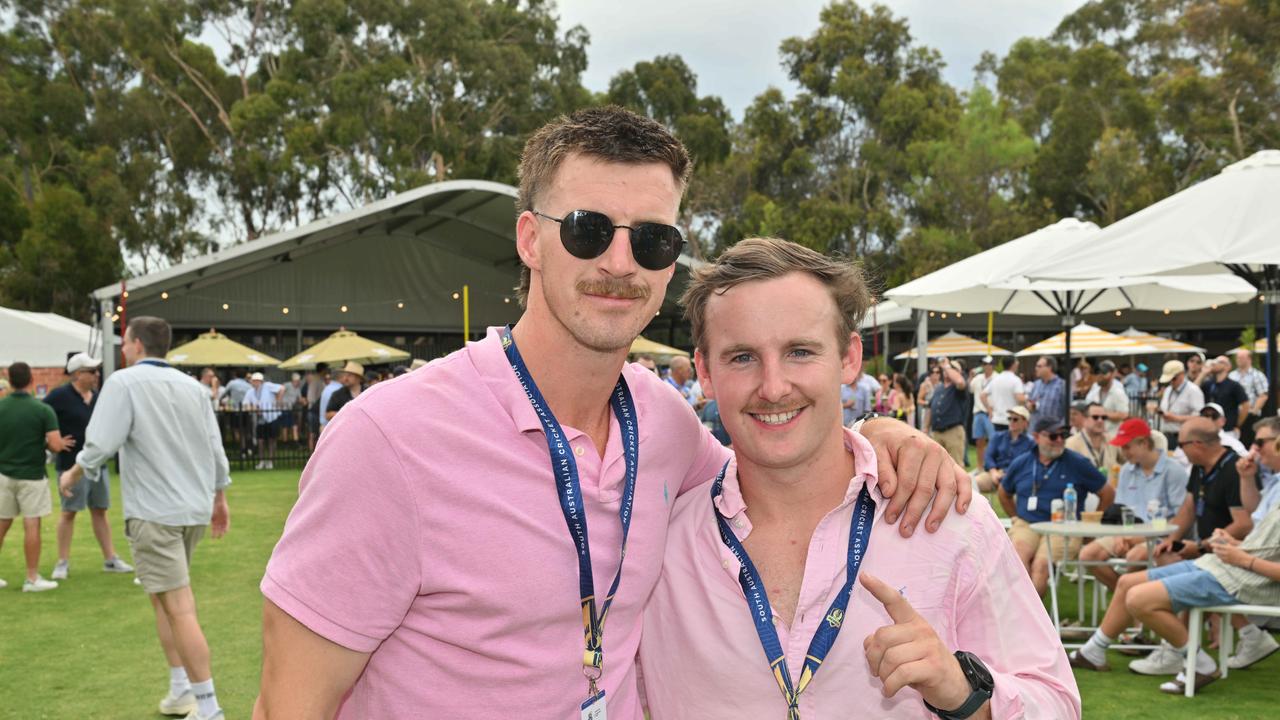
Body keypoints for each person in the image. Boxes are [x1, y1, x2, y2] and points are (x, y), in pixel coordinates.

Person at [253, 106, 972, 719]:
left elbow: (782, 467)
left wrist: (884, 435)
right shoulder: (389, 440)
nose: (621, 263)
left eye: (652, 239)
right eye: (589, 230)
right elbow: (288, 706)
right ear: (531, 239)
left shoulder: (664, 425)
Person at [638, 237, 1079, 718]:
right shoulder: (657, 539)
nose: (773, 386)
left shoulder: (946, 514)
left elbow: (1057, 702)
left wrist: (967, 694)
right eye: (742, 357)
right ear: (704, 370)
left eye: (801, 352)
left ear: (849, 358)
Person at [58, 316, 231, 720]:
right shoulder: (193, 387)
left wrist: (72, 471)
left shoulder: (123, 382)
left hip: (156, 513)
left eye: (126, 342)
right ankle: (180, 691)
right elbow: (215, 447)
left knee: (178, 605)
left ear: (135, 344)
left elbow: (101, 442)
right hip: (190, 510)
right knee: (164, 599)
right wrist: (220, 497)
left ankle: (208, 707)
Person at [1069, 428, 1280, 693]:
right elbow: (1258, 530)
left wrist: (1242, 557)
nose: (1254, 448)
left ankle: (1196, 661)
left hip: (1243, 577)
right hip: (1225, 564)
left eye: (1261, 442)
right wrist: (1236, 545)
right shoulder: (1273, 482)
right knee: (1127, 582)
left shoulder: (1209, 470)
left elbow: (1247, 531)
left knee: (1138, 597)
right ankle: (1093, 651)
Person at [999, 417, 1115, 596]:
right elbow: (1004, 492)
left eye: (1063, 435)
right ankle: (1020, 616)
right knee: (1018, 560)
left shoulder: (1077, 463)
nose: (1060, 440)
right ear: (1037, 437)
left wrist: (1090, 527)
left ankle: (1030, 620)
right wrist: (1015, 516)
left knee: (1041, 565)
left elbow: (1107, 492)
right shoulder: (1022, 462)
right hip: (1026, 524)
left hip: (1063, 528)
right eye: (1053, 436)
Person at [44, 352, 133, 580]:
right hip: (70, 465)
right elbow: (40, 419)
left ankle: (110, 558)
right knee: (69, 512)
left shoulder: (98, 396)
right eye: (91, 371)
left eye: (96, 371)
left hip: (97, 465)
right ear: (76, 374)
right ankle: (62, 562)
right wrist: (53, 442)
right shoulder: (59, 396)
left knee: (100, 510)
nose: (96, 376)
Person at [1078, 418, 1187, 594]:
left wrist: (1141, 537)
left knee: (1134, 557)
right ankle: (1128, 600)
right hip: (1128, 532)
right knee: (1087, 556)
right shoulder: (1127, 470)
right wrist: (1123, 535)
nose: (1123, 452)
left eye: (1127, 446)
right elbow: (1120, 511)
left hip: (1161, 537)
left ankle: (1129, 602)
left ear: (1144, 443)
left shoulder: (1174, 471)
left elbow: (1181, 516)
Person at [0, 361, 74, 592]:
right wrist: (50, 443)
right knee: (32, 525)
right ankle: (31, 578)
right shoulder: (42, 409)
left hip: (3, 474)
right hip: (32, 475)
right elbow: (54, 444)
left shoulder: (1, 407)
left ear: (9, 380)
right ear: (31, 379)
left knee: (2, 524)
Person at [1152, 418, 1251, 567]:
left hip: (1228, 554)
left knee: (1141, 581)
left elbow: (1243, 524)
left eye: (1181, 445)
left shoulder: (1234, 469)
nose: (1179, 450)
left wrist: (1201, 547)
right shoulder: (1199, 467)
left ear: (1196, 445)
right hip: (1205, 548)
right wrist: (1171, 540)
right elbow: (1189, 507)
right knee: (1163, 556)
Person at [973, 405, 1033, 493]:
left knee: (1024, 492)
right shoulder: (998, 436)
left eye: (1015, 419)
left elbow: (1028, 465)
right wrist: (993, 472)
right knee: (971, 484)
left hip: (1017, 478)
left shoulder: (1031, 443)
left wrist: (1006, 473)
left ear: (1025, 423)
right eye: (1009, 418)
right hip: (994, 474)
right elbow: (988, 456)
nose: (1011, 422)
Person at [928, 357, 969, 466]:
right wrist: (925, 428)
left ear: (959, 372)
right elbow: (930, 408)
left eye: (952, 368)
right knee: (936, 467)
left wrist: (946, 366)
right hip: (937, 432)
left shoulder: (959, 386)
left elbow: (960, 381)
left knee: (956, 467)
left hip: (953, 431)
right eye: (947, 369)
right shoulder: (939, 387)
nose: (947, 371)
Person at [1066, 401, 1122, 480]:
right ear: (1084, 419)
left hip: (1110, 490)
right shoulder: (1071, 444)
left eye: (1104, 418)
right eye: (1095, 417)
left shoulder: (1113, 441)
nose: (1100, 421)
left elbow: (1129, 462)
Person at [1158, 359, 1204, 450]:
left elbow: (1200, 417)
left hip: (1184, 438)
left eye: (1173, 378)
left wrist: (1176, 418)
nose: (1171, 382)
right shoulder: (1168, 389)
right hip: (1167, 435)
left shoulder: (1193, 390)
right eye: (1169, 379)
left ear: (1182, 374)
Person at [1200, 355, 1251, 437]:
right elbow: (1192, 390)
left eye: (1220, 362)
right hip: (1208, 428)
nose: (1215, 364)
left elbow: (1246, 405)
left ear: (1228, 367)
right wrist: (1203, 373)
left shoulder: (1234, 385)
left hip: (1227, 430)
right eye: (1215, 361)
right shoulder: (1208, 383)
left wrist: (1237, 424)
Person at [1230, 348, 1269, 446]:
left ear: (1249, 359)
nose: (1238, 359)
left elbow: (1263, 395)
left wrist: (1253, 412)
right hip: (1234, 415)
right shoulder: (1232, 375)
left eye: (1242, 357)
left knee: (1249, 443)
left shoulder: (1257, 375)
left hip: (1250, 417)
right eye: (1237, 357)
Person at [248, 372, 286, 470]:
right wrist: (254, 408)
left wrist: (278, 401)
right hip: (260, 419)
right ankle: (261, 461)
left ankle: (270, 461)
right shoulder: (251, 391)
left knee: (271, 440)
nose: (255, 383)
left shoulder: (268, 386)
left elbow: (282, 388)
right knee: (260, 441)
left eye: (257, 381)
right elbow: (246, 404)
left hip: (271, 417)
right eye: (254, 381)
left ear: (260, 381)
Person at [1084, 359, 1130, 436]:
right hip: (1096, 434)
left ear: (1113, 374)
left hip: (1112, 435)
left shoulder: (1118, 392)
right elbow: (1087, 409)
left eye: (1103, 373)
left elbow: (1124, 414)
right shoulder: (1094, 390)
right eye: (1097, 373)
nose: (1099, 376)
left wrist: (1102, 414)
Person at [1021, 355, 1066, 430]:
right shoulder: (1036, 384)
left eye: (1039, 366)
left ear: (1049, 367)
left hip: (1053, 433)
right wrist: (1030, 405)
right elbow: (1029, 403)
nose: (1036, 369)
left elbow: (1067, 411)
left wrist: (1061, 430)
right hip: (1035, 431)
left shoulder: (1062, 385)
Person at [981, 357, 1022, 433]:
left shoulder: (996, 379)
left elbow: (983, 395)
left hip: (997, 419)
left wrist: (989, 411)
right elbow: (1020, 399)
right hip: (1012, 419)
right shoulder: (1016, 380)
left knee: (1000, 443)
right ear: (1013, 365)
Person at [970, 356, 996, 470]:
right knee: (979, 441)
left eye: (988, 364)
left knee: (993, 442)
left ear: (992, 365)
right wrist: (971, 376)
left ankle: (991, 467)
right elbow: (970, 390)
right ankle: (980, 467)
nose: (986, 366)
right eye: (984, 364)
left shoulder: (997, 378)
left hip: (992, 413)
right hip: (978, 413)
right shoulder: (977, 378)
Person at [316, 364, 342, 433]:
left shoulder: (327, 388)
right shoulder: (339, 389)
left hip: (324, 427)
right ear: (340, 377)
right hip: (332, 428)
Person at [281, 373, 304, 442]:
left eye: (298, 381)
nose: (298, 382)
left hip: (291, 409)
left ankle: (293, 441)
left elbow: (299, 398)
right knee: (285, 426)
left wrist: (304, 401)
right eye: (297, 381)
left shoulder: (298, 389)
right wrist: (280, 401)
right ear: (293, 380)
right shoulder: (287, 385)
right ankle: (285, 442)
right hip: (284, 408)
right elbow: (280, 389)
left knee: (293, 425)